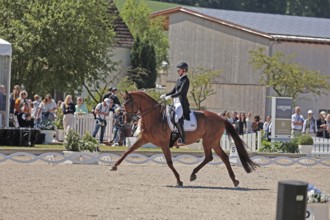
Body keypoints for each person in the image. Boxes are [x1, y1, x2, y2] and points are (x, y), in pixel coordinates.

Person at [160, 62, 190, 144]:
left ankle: (183, 138)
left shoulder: (186, 81)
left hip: (181, 103)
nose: (178, 72)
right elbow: (173, 91)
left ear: (184, 70)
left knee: (176, 117)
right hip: (175, 103)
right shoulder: (179, 80)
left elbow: (180, 92)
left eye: (179, 70)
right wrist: (165, 94)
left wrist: (171, 97)